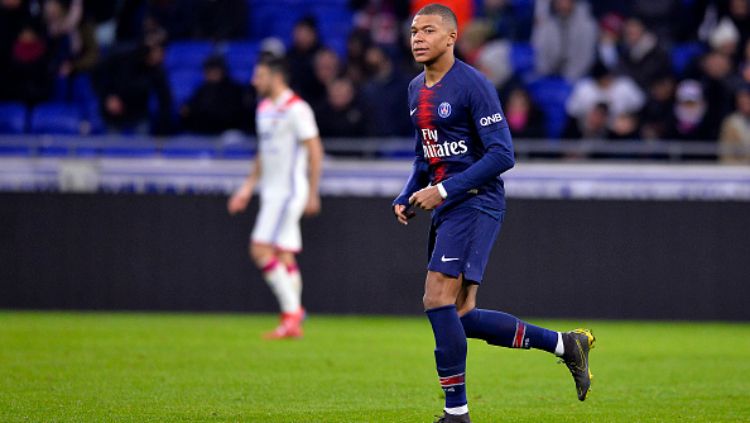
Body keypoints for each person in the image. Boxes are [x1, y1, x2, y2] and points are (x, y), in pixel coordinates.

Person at [393, 5, 595, 422]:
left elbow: (503, 154)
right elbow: (424, 156)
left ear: (451, 38)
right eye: (415, 30)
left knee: (435, 298)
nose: (418, 37)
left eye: (429, 30)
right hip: (448, 205)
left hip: (476, 201)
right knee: (460, 315)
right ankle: (565, 344)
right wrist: (409, 193)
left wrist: (443, 189)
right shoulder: (416, 89)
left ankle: (456, 414)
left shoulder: (473, 85)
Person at [227, 55, 324, 339]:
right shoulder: (265, 108)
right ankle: (293, 317)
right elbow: (263, 153)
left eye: (259, 76)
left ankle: (291, 314)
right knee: (284, 255)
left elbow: (315, 150)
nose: (254, 81)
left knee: (259, 249)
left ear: (276, 77)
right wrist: (247, 187)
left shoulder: (297, 109)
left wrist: (313, 192)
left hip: (288, 191)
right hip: (271, 191)